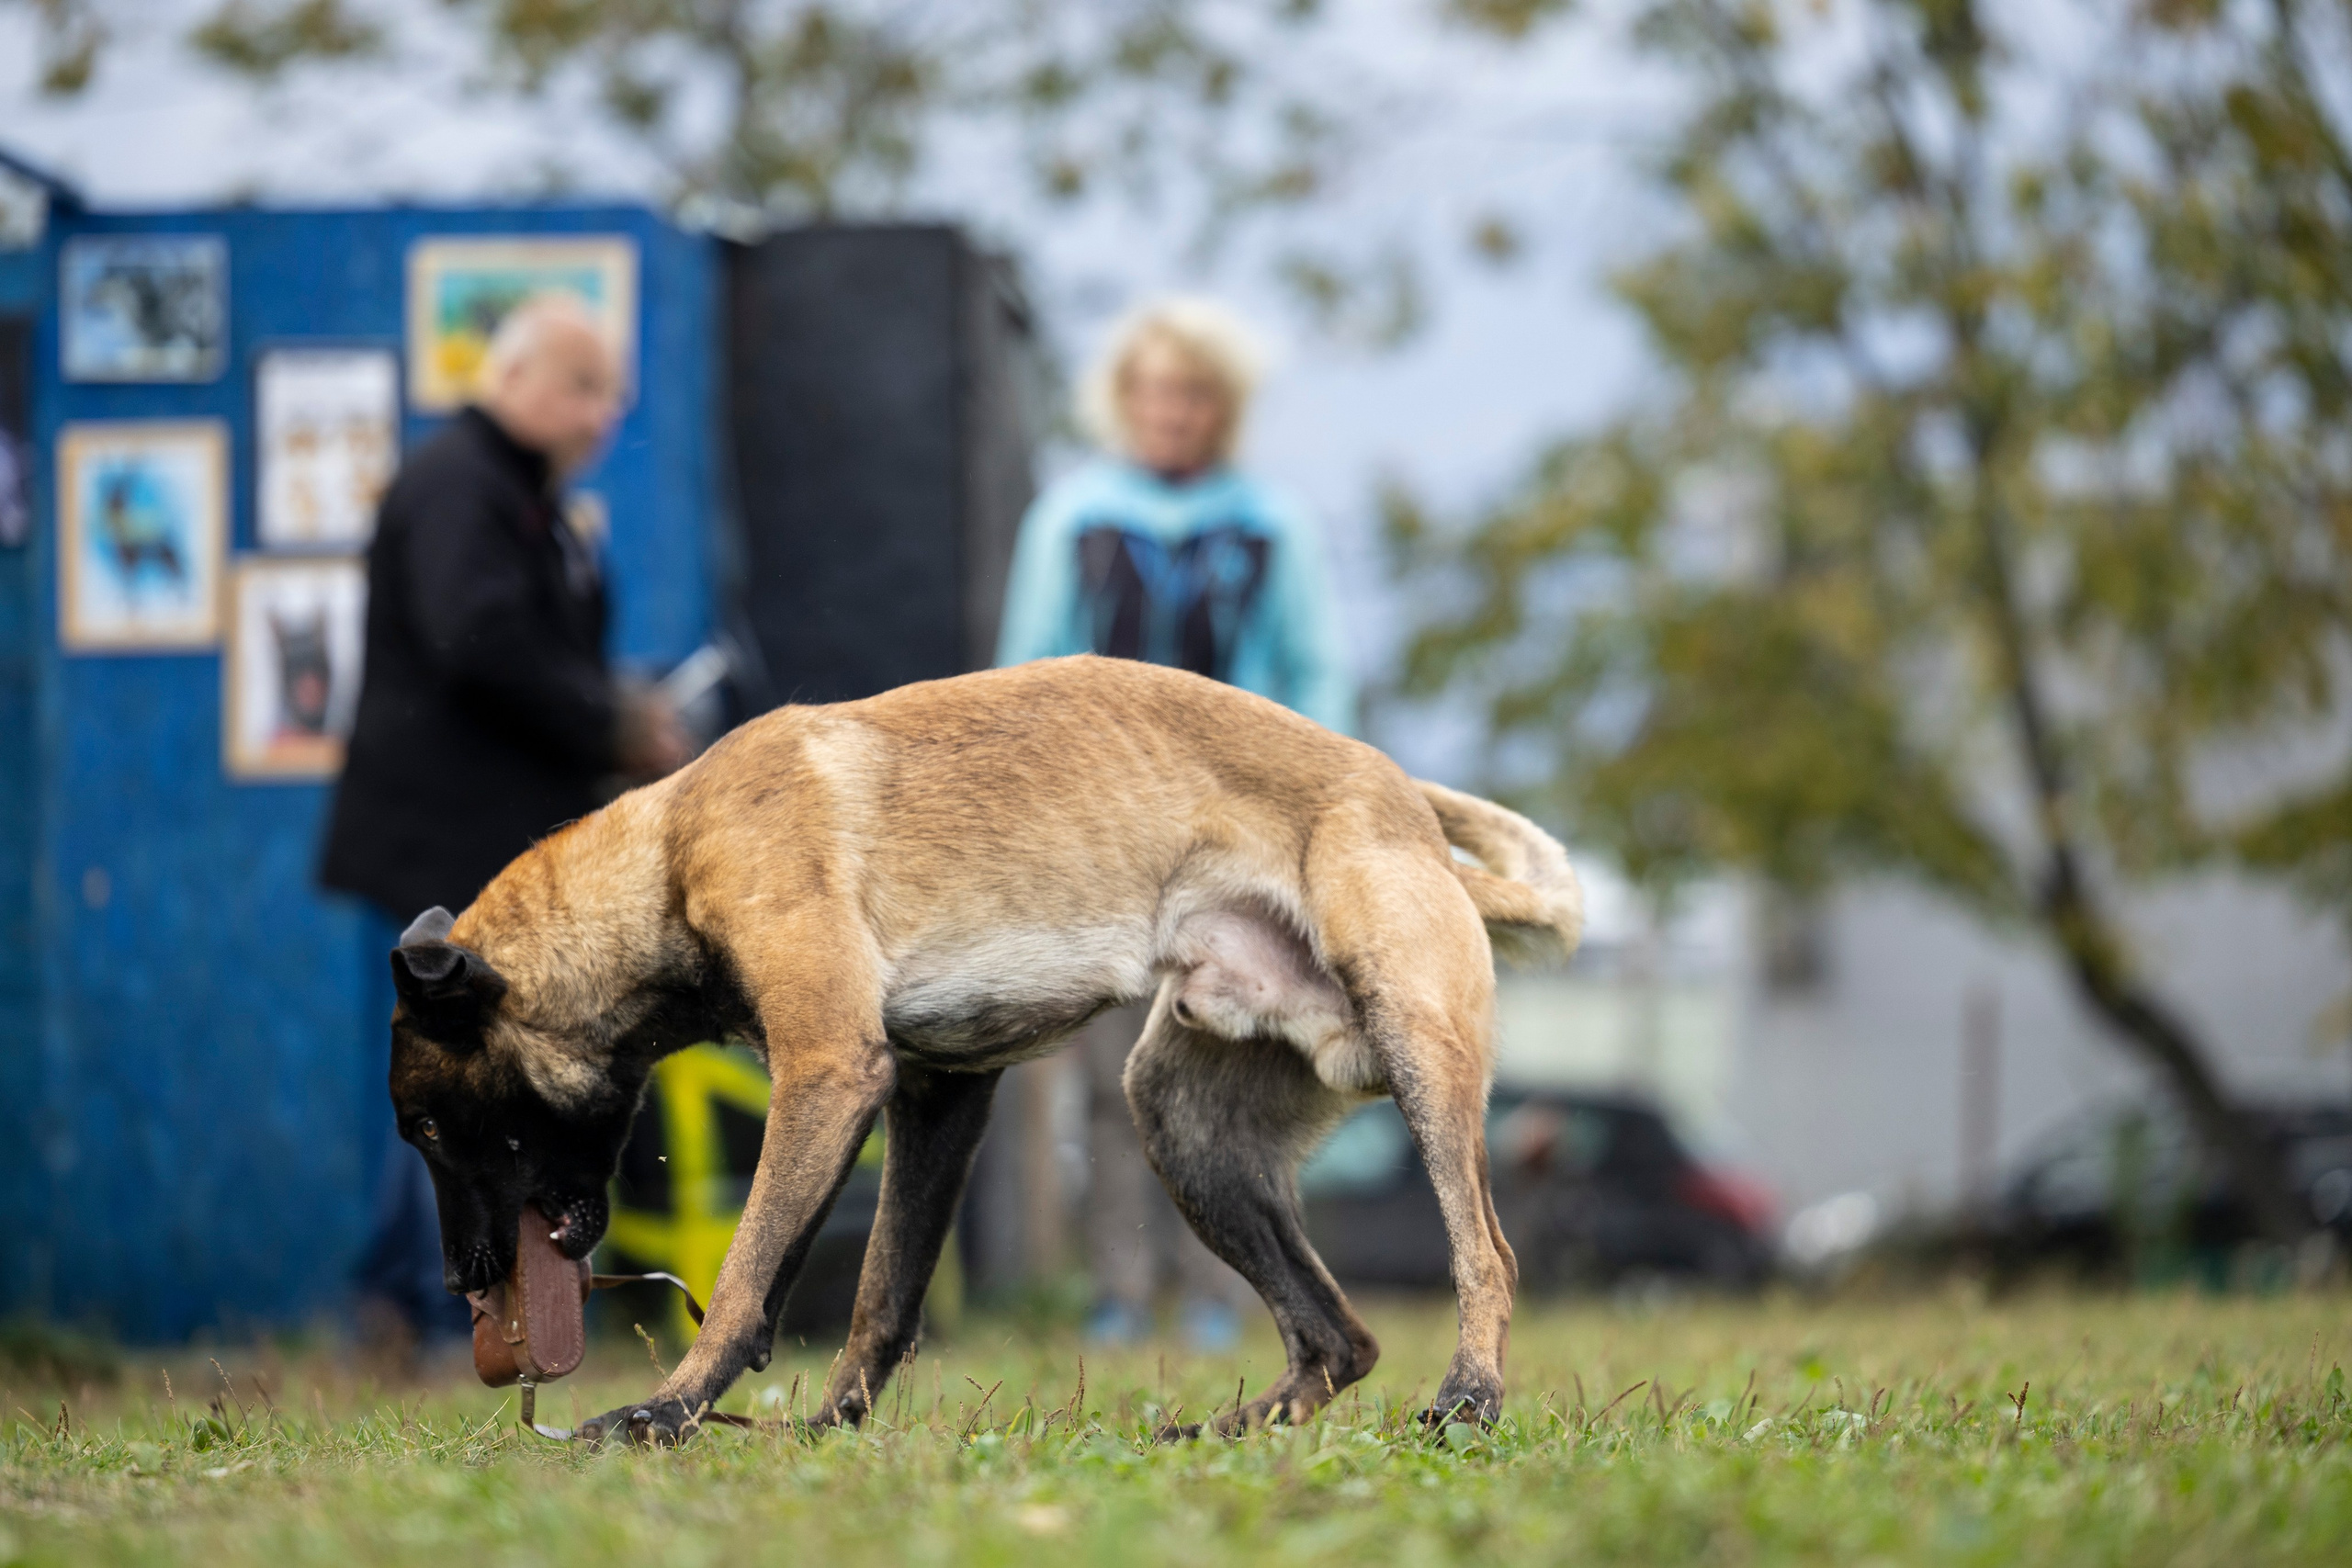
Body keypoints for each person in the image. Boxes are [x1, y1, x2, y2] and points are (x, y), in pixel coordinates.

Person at [322, 293, 689, 1342]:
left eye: (612, 395)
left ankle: (442, 1315)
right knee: (448, 1091)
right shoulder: (458, 487)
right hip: (437, 858)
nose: (600, 415)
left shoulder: (523, 498)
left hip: (484, 851)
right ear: (511, 377)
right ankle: (416, 1316)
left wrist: (610, 719)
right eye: (580, 387)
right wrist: (605, 722)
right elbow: (473, 638)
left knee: (471, 1086)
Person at [996, 296, 1355, 1349]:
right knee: (1119, 1074)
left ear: (1222, 407)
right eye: (1151, 392)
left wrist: (1320, 815)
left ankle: (1223, 1292)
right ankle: (1115, 1288)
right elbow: (1028, 676)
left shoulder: (1270, 523)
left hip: (1239, 833)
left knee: (1237, 1065)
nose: (1170, 413)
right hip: (1105, 839)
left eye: (1190, 394)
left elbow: (1315, 672)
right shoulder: (1071, 519)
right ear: (1124, 400)